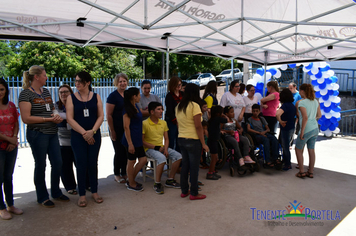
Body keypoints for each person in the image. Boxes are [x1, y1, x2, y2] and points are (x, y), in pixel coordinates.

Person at [19, 65, 69, 208]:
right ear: (37, 77)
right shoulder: (25, 94)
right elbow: (26, 118)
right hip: (37, 134)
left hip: (52, 133)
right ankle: (42, 196)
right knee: (41, 165)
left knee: (58, 163)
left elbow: (52, 108)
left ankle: (56, 192)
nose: (46, 78)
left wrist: (56, 115)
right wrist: (48, 120)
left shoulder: (45, 91)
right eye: (44, 75)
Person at [66, 71, 104, 207]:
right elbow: (70, 118)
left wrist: (92, 132)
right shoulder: (71, 98)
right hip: (78, 136)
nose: (77, 84)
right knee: (81, 164)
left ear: (88, 82)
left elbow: (101, 116)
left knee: (93, 163)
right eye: (75, 81)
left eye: (80, 81)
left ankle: (94, 191)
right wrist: (84, 133)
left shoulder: (96, 97)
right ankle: (82, 194)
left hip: (94, 135)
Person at [176, 83, 209, 200]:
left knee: (185, 166)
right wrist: (204, 143)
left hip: (181, 138)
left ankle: (184, 191)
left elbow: (179, 125)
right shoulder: (194, 105)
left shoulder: (179, 106)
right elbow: (198, 126)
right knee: (194, 167)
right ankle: (194, 193)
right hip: (193, 140)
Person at [142, 102, 182, 194]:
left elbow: (166, 139)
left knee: (178, 156)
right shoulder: (144, 123)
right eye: (159, 109)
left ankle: (170, 180)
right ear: (152, 112)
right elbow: (142, 142)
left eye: (162, 109)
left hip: (161, 147)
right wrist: (156, 147)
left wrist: (166, 148)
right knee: (162, 158)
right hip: (149, 149)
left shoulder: (163, 123)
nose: (161, 111)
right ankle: (157, 183)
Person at [0, 78, 23, 220]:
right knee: (0, 177)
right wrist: (10, 140)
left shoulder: (11, 105)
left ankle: (11, 205)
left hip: (11, 146)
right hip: (2, 146)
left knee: (8, 176)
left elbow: (15, 123)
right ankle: (1, 208)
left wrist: (14, 138)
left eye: (2, 89)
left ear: (6, 90)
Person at [122, 87, 147, 192]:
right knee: (131, 161)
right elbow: (126, 127)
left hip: (138, 139)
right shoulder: (127, 109)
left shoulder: (136, 106)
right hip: (130, 140)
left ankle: (130, 178)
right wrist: (130, 144)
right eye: (138, 95)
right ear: (134, 96)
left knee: (143, 160)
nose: (140, 96)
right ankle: (131, 183)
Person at [295, 84, 321, 179]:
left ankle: (301, 171)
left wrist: (302, 132)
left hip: (306, 129)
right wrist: (312, 118)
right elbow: (319, 115)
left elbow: (305, 118)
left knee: (298, 149)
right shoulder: (315, 101)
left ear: (302, 91)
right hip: (315, 128)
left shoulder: (302, 103)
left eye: (300, 91)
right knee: (311, 150)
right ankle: (310, 171)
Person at [55, 84, 77, 194]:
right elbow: (54, 118)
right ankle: (70, 186)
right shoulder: (55, 107)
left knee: (81, 164)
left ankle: (85, 184)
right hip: (62, 141)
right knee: (65, 166)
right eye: (61, 92)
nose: (63, 94)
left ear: (71, 93)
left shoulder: (76, 104)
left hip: (77, 139)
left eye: (66, 92)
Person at [106, 73, 128, 183]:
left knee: (126, 151)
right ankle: (116, 173)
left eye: (124, 81)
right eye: (120, 81)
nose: (122, 83)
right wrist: (112, 130)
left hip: (126, 128)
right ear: (116, 83)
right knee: (119, 151)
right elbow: (109, 115)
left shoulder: (128, 95)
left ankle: (124, 172)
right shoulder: (113, 96)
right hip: (116, 128)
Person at [223, 105, 255, 175]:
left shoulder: (234, 120)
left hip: (236, 135)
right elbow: (221, 130)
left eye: (233, 112)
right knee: (234, 142)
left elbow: (240, 128)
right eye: (231, 112)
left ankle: (246, 156)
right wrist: (229, 132)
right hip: (228, 136)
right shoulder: (224, 121)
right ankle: (240, 158)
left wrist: (240, 130)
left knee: (245, 139)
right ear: (226, 114)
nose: (233, 113)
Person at [276, 89, 296, 171]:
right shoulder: (292, 105)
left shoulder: (285, 106)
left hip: (285, 128)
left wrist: (280, 121)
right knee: (286, 144)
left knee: (285, 146)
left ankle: (287, 163)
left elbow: (277, 114)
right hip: (291, 126)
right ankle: (285, 160)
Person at [206, 105, 227, 180]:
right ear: (218, 113)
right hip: (213, 141)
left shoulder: (212, 119)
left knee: (215, 156)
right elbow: (226, 120)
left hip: (212, 140)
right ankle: (210, 173)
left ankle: (213, 170)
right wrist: (224, 115)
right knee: (214, 157)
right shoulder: (217, 119)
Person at [165, 76, 183, 152]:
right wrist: (176, 121)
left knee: (180, 141)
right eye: (178, 85)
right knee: (171, 140)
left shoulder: (183, 94)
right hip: (172, 120)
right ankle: (171, 160)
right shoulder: (169, 96)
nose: (179, 87)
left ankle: (179, 160)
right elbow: (170, 111)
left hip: (182, 120)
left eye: (180, 85)